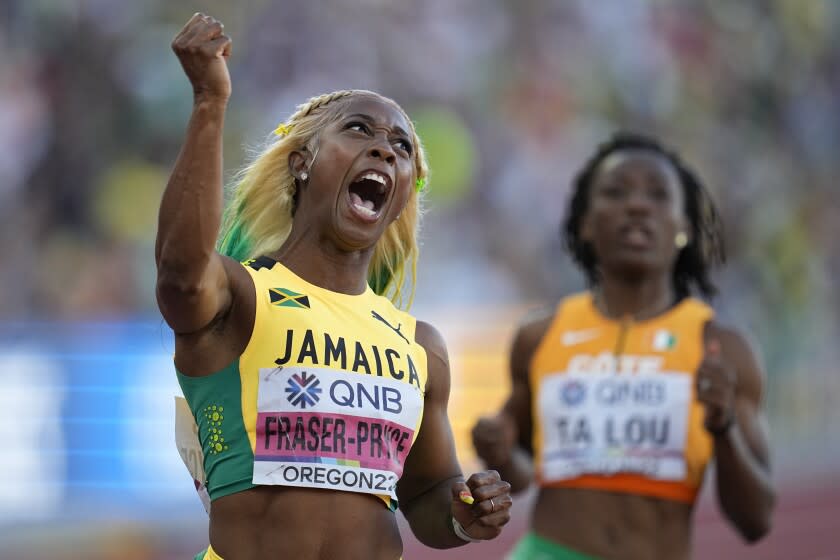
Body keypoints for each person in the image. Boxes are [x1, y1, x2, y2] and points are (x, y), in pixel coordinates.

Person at [156, 13, 512, 560]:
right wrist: (209, 101)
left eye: (401, 146)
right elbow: (179, 278)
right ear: (302, 162)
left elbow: (426, 497)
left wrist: (465, 514)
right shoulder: (240, 296)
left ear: (399, 201)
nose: (385, 150)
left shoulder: (420, 347)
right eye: (359, 129)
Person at [471, 132, 775, 559]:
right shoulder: (540, 336)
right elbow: (518, 475)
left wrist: (723, 427)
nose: (636, 205)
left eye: (657, 195)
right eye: (615, 193)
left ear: (684, 226)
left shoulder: (720, 348)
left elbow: (756, 521)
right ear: (586, 224)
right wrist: (497, 450)